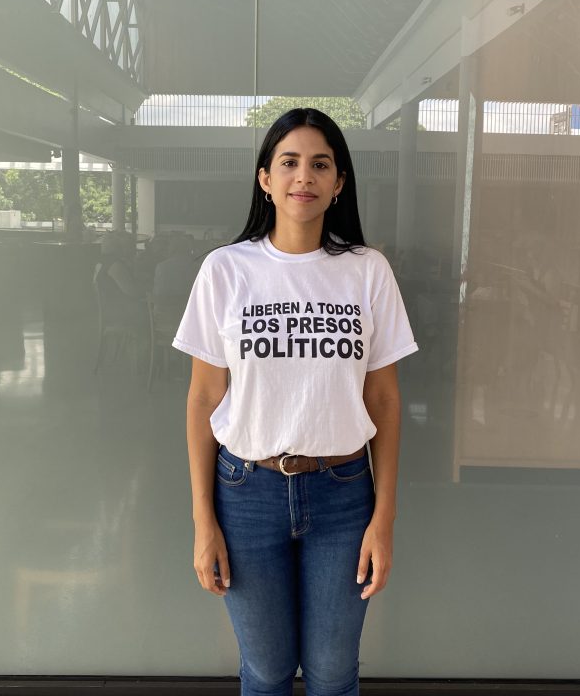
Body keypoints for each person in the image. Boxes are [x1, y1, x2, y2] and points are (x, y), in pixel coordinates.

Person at [172, 108, 418, 696]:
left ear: (338, 184)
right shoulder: (226, 271)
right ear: (265, 179)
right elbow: (204, 396)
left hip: (342, 496)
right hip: (245, 495)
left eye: (319, 164)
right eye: (288, 162)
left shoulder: (367, 272)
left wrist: (383, 519)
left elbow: (383, 399)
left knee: (334, 675)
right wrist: (203, 521)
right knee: (267, 671)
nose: (302, 176)